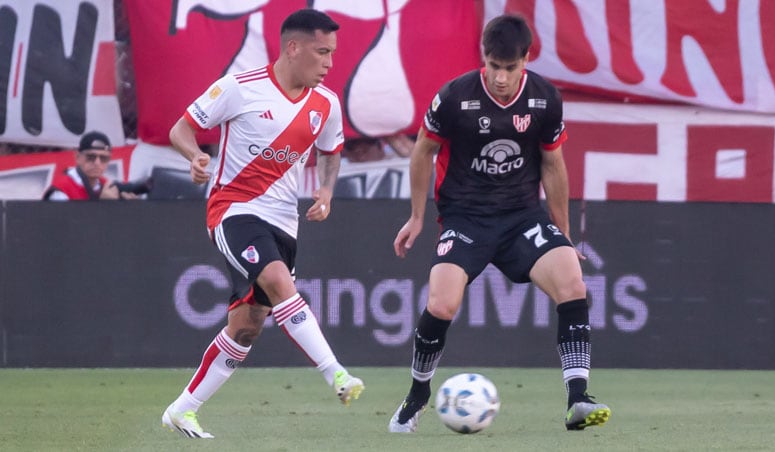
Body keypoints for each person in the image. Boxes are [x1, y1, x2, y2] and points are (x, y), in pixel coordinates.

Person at [388, 14, 610, 433]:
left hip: (521, 217)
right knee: (441, 304)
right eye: (494, 66)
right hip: (465, 217)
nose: (501, 77)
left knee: (573, 283)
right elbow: (422, 153)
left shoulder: (545, 98)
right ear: (483, 59)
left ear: (526, 59)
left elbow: (553, 164)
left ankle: (577, 398)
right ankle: (417, 394)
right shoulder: (455, 96)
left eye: (510, 67)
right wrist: (417, 217)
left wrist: (561, 234)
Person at [163, 9, 364, 439]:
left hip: (283, 223)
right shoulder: (239, 88)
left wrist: (326, 190)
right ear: (293, 48)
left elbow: (331, 151)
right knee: (277, 279)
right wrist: (195, 156)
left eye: (333, 54)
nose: (329, 63)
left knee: (248, 324)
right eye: (322, 52)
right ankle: (338, 376)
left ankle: (183, 409)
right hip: (232, 209)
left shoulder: (325, 103)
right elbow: (181, 129)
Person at [42, 131, 142, 200]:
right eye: (91, 157)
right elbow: (67, 228)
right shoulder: (62, 190)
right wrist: (102, 205)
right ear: (78, 157)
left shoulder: (106, 185)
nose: (97, 163)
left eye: (103, 158)